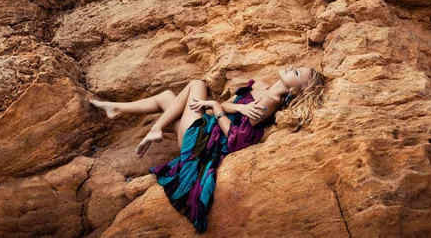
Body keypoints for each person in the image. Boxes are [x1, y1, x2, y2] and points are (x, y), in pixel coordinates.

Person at [88, 66, 326, 232]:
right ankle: (116, 109)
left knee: (197, 84)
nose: (291, 67)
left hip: (203, 140)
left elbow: (234, 138)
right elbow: (227, 104)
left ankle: (156, 129)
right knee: (166, 98)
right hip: (205, 128)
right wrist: (234, 108)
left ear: (295, 90)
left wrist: (215, 106)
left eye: (296, 73)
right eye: (296, 66)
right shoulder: (262, 87)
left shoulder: (269, 104)